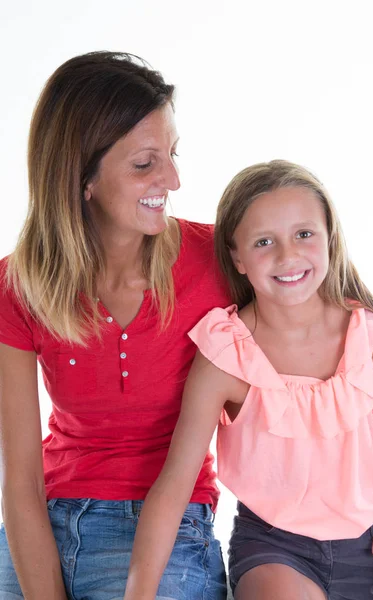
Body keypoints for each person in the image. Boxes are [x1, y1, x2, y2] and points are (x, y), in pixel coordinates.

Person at [0, 51, 229, 600]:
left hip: (168, 529)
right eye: (145, 163)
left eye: (171, 154)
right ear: (82, 179)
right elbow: (21, 483)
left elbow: (345, 331)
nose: (173, 179)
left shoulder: (217, 260)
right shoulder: (18, 285)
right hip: (43, 523)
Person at [125, 160, 373, 600]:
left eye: (304, 234)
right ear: (236, 256)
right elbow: (173, 486)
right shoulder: (226, 352)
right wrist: (137, 594)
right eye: (264, 242)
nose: (287, 256)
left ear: (330, 236)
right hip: (275, 548)